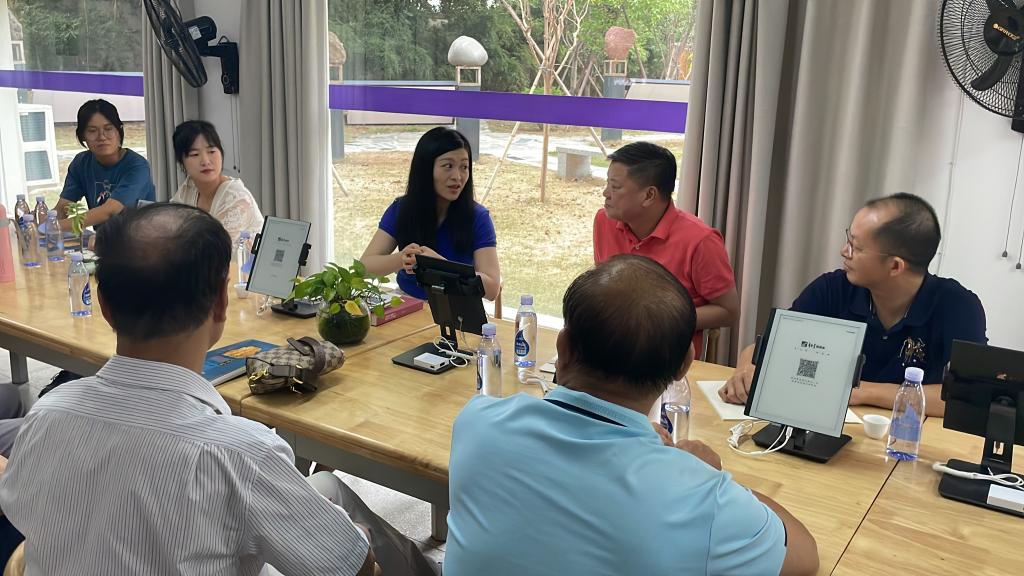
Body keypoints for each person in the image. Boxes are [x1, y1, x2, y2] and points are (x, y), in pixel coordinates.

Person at [0, 204, 436, 576]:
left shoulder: (46, 415)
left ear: (105, 307)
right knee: (340, 519)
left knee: (322, 487)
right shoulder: (244, 454)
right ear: (220, 304)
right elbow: (354, 568)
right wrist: (353, 539)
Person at [446, 255, 819, 576]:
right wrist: (714, 478)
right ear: (684, 366)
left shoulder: (477, 422)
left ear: (563, 347)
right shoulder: (702, 498)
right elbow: (804, 555)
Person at [719, 193, 987, 417]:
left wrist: (862, 392)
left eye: (855, 247)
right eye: (849, 239)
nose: (843, 251)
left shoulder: (958, 307)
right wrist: (746, 370)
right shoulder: (832, 289)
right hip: (828, 428)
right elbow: (763, 347)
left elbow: (967, 398)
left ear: (895, 266)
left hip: (910, 439)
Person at [593, 141, 738, 357]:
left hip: (666, 357)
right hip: (610, 347)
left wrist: (658, 322)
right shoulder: (604, 222)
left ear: (649, 195)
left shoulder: (701, 241)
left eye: (615, 187)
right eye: (607, 183)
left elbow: (728, 311)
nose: (606, 193)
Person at [361, 127, 500, 301]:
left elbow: (492, 288)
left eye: (464, 167)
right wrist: (402, 259)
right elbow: (363, 267)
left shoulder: (478, 217)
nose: (458, 176)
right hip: (408, 303)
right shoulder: (402, 208)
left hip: (459, 306)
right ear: (426, 169)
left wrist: (442, 266)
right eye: (448, 166)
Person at [55, 99, 155, 232]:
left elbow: (110, 211)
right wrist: (43, 223)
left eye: (108, 129)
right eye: (92, 131)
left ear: (119, 131)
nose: (101, 137)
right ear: (82, 135)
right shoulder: (81, 163)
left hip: (140, 239)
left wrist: (54, 227)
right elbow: (63, 208)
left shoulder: (137, 165)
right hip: (101, 239)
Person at [170, 119, 264, 245]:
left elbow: (214, 250)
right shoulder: (189, 187)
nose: (205, 161)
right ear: (182, 162)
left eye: (212, 152)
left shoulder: (236, 197)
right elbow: (169, 228)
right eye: (195, 154)